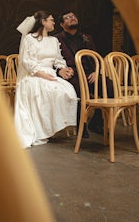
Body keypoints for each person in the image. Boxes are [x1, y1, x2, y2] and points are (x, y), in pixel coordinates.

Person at [14, 10, 78, 148]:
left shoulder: (54, 40)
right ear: (43, 22)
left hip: (51, 74)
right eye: (51, 20)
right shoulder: (29, 39)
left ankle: (50, 126)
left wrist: (62, 69)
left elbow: (58, 59)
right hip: (34, 75)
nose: (53, 22)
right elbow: (26, 61)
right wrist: (42, 74)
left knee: (68, 91)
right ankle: (41, 129)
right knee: (47, 90)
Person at [55, 11, 113, 137]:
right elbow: (52, 60)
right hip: (72, 74)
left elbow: (96, 58)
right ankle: (81, 125)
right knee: (78, 90)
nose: (72, 18)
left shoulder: (86, 37)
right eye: (68, 17)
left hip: (89, 74)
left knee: (110, 86)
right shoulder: (57, 39)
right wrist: (61, 71)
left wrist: (95, 72)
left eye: (74, 16)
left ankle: (96, 121)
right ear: (62, 24)